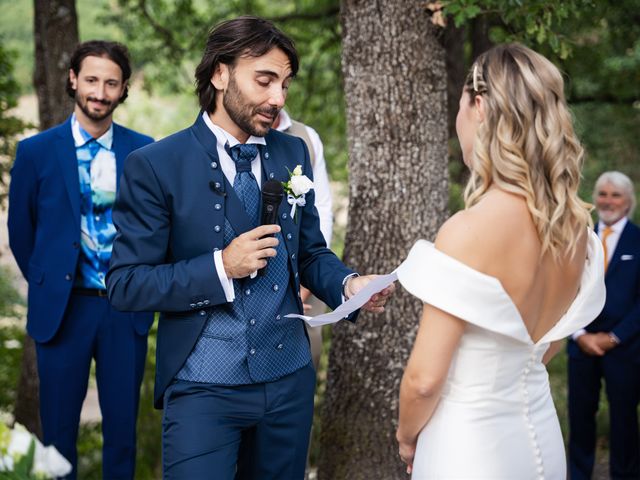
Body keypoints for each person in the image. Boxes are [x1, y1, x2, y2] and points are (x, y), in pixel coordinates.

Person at [106, 16, 393, 479]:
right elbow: (125, 284)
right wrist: (222, 266)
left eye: (284, 83)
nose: (278, 98)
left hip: (289, 384)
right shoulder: (156, 165)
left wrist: (349, 283)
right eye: (264, 80)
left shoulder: (292, 153)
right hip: (202, 390)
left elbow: (310, 253)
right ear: (220, 74)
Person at [394, 43, 606, 479]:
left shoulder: (467, 230)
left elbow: (424, 380)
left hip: (468, 445)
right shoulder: (576, 231)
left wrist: (407, 436)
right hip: (541, 439)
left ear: (480, 107)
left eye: (459, 108)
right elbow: (547, 345)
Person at [7, 41, 154, 479]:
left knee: (123, 435)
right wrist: (47, 280)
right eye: (91, 80)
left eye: (111, 83)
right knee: (57, 437)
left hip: (123, 310)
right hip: (63, 308)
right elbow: (21, 232)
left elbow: (156, 231)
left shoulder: (144, 152)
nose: (100, 91)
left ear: (123, 88)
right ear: (73, 79)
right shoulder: (35, 152)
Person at [568, 171, 640, 479]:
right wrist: (580, 334)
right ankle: (580, 474)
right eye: (603, 194)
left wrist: (614, 336)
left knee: (623, 419)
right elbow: (564, 290)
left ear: (628, 201)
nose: (608, 201)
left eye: (615, 195)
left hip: (625, 347)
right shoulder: (578, 239)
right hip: (580, 344)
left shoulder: (638, 240)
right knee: (580, 416)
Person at [273, 108, 333, 368]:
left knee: (304, 353)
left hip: (304, 271)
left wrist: (304, 288)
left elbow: (322, 210)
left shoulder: (306, 137)